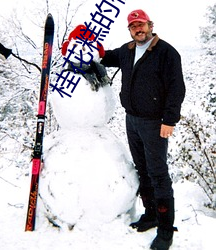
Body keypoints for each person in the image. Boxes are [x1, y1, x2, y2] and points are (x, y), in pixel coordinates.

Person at [101, 9, 185, 250]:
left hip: (155, 123)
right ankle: (151, 214)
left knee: (158, 173)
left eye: (141, 24)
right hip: (132, 120)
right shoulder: (127, 51)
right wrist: (86, 47)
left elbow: (176, 88)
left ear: (150, 25)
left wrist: (169, 120)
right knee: (143, 169)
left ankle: (166, 231)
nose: (138, 29)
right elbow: (105, 57)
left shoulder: (166, 52)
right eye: (133, 26)